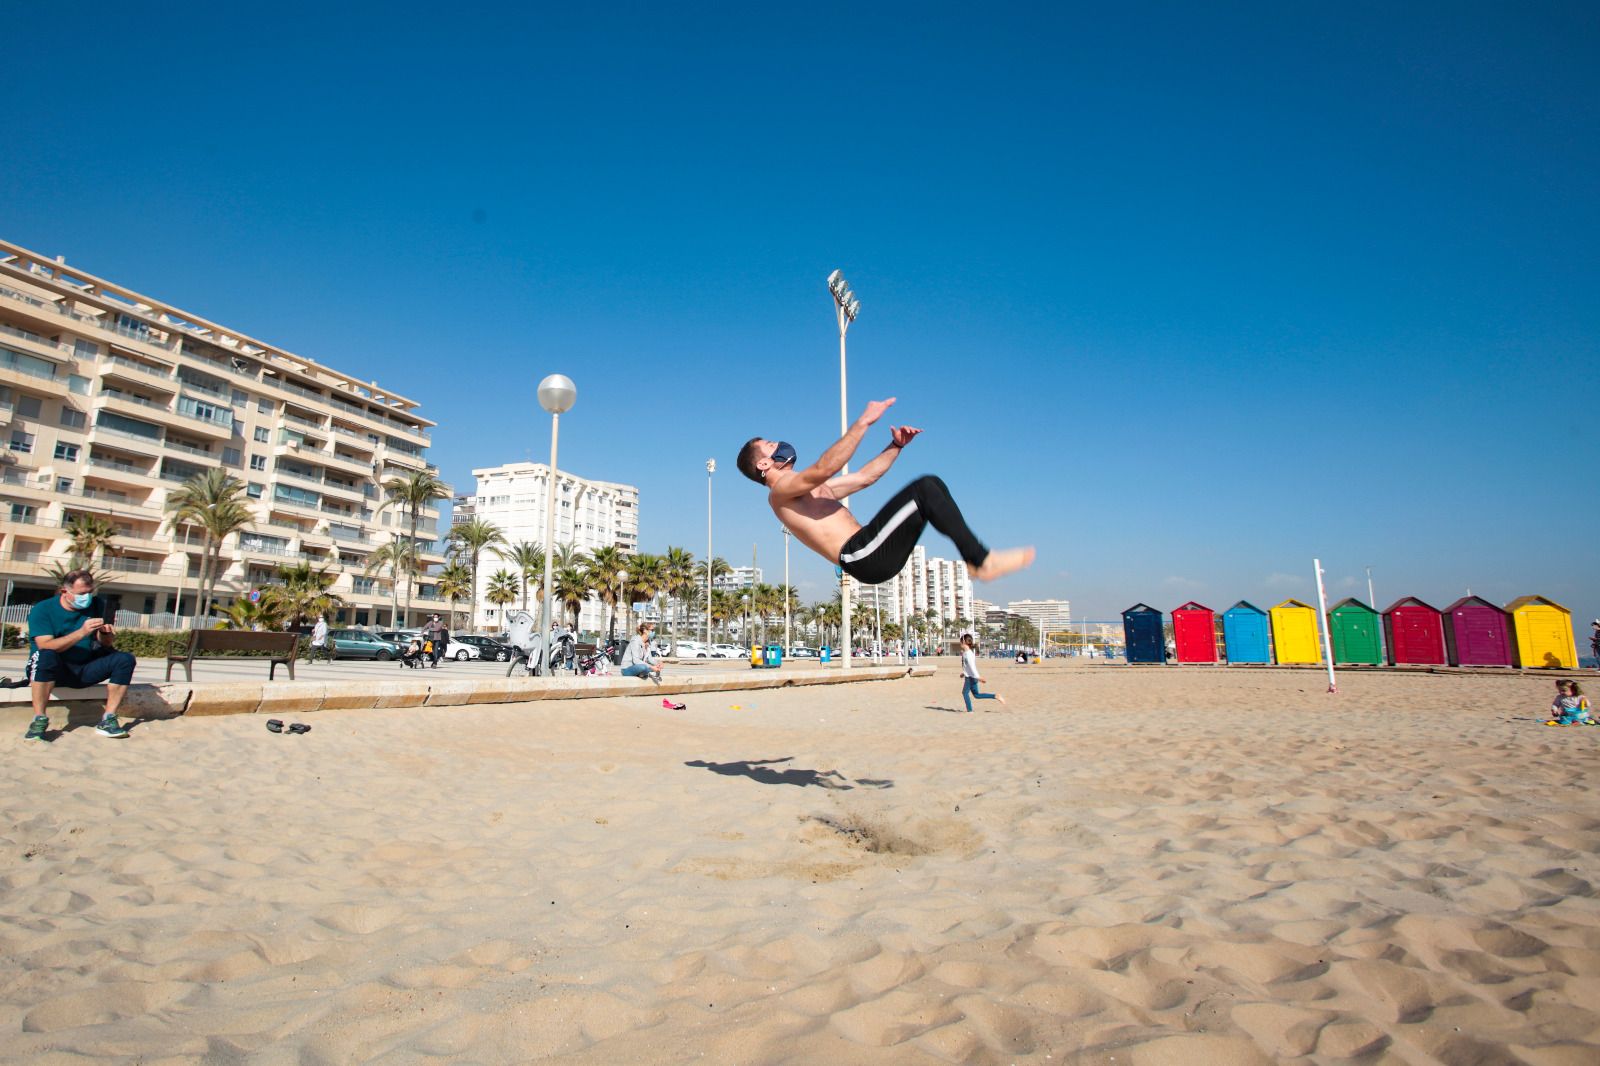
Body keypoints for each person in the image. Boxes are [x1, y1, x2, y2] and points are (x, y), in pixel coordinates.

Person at [736, 397, 1034, 588]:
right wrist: (862, 423)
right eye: (772, 445)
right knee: (925, 488)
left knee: (933, 488)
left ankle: (978, 560)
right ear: (764, 463)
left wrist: (896, 446)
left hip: (872, 553)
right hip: (860, 555)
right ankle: (981, 561)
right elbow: (823, 468)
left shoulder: (811, 491)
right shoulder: (780, 493)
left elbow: (866, 477)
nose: (780, 444)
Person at [23, 570, 137, 741]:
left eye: (90, 592)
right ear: (64, 592)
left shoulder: (98, 605)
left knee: (125, 659)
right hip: (53, 670)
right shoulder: (43, 609)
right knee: (46, 655)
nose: (87, 597)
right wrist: (81, 632)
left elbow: (105, 644)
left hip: (84, 668)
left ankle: (108, 720)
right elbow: (45, 645)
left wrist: (106, 635)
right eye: (82, 593)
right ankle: (39, 719)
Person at [959, 633, 1004, 713]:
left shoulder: (969, 654)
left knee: (965, 693)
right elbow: (967, 666)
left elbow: (972, 667)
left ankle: (970, 711)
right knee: (977, 695)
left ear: (964, 642)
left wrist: (978, 677)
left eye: (960, 642)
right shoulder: (965, 653)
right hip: (970, 676)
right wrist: (964, 673)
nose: (960, 644)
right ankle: (995, 696)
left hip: (971, 677)